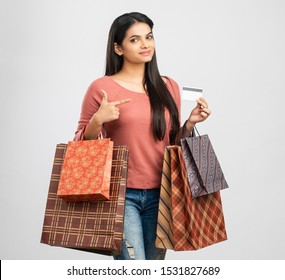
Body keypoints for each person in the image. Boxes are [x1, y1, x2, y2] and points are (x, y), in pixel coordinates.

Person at [74, 12, 211, 260]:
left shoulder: (168, 86)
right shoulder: (101, 88)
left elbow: (172, 143)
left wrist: (190, 124)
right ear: (118, 48)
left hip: (163, 193)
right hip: (121, 195)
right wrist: (97, 121)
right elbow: (79, 148)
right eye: (135, 40)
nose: (145, 44)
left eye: (148, 37)